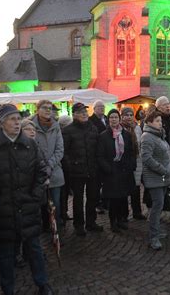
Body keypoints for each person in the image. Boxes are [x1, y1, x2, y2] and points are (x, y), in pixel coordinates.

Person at [0, 104, 53, 295]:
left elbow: (41, 172)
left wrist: (35, 196)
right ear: (1, 122)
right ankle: (7, 289)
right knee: (6, 253)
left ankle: (42, 284)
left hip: (28, 207)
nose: (17, 123)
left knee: (34, 250)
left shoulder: (30, 144)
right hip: (4, 209)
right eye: (12, 119)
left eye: (19, 118)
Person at [62, 102, 103, 236]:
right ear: (74, 115)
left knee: (92, 197)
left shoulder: (92, 128)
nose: (84, 114)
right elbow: (64, 152)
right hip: (76, 170)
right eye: (81, 112)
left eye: (85, 111)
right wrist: (71, 165)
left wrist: (96, 164)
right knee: (78, 199)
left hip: (92, 169)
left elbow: (97, 148)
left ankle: (91, 222)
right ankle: (79, 225)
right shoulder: (68, 130)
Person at [97, 109, 136, 232]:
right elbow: (100, 155)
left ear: (119, 119)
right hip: (111, 172)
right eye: (111, 117)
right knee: (113, 199)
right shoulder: (103, 136)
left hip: (124, 171)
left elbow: (130, 152)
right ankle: (113, 222)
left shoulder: (126, 134)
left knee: (122, 198)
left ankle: (121, 220)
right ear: (108, 120)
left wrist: (130, 166)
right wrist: (108, 168)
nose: (114, 119)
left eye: (115, 117)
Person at [141, 110, 170, 251]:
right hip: (155, 178)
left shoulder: (160, 135)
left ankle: (157, 231)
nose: (160, 123)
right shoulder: (147, 137)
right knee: (156, 206)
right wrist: (162, 169)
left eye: (160, 120)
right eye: (157, 121)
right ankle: (153, 237)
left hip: (164, 176)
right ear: (149, 122)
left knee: (159, 205)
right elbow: (147, 158)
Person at [31, 100, 65, 229]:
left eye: (50, 108)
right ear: (37, 109)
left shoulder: (56, 127)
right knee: (39, 203)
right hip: (37, 172)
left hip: (54, 171)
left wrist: (50, 164)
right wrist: (41, 166)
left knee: (55, 203)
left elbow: (60, 149)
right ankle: (41, 227)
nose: (47, 110)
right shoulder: (30, 126)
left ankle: (55, 228)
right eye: (44, 108)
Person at [121, 107, 146, 220]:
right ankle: (124, 213)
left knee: (136, 187)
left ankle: (137, 211)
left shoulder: (137, 128)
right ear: (122, 116)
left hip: (137, 160)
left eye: (131, 115)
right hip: (125, 162)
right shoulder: (120, 128)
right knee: (125, 188)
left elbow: (140, 144)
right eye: (127, 115)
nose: (129, 117)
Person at [89, 100, 108, 214]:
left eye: (103, 106)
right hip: (97, 154)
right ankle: (97, 204)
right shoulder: (91, 121)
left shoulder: (106, 118)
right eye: (99, 107)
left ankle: (105, 202)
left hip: (107, 154)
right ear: (94, 108)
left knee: (105, 181)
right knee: (96, 183)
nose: (102, 108)